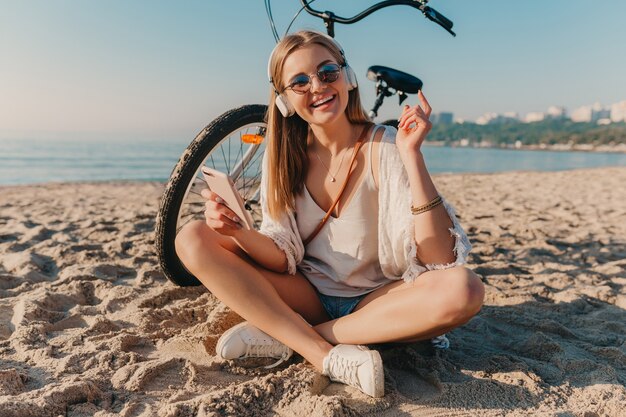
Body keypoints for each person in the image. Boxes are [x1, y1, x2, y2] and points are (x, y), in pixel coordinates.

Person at [175, 30, 484, 398]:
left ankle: (289, 335)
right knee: (192, 237)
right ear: (285, 100)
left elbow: (440, 260)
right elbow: (280, 254)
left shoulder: (386, 145)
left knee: (464, 289)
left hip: (379, 300)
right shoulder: (284, 158)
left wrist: (412, 156)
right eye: (299, 81)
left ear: (347, 77)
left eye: (327, 72)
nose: (317, 86)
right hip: (308, 295)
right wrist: (238, 232)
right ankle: (322, 354)